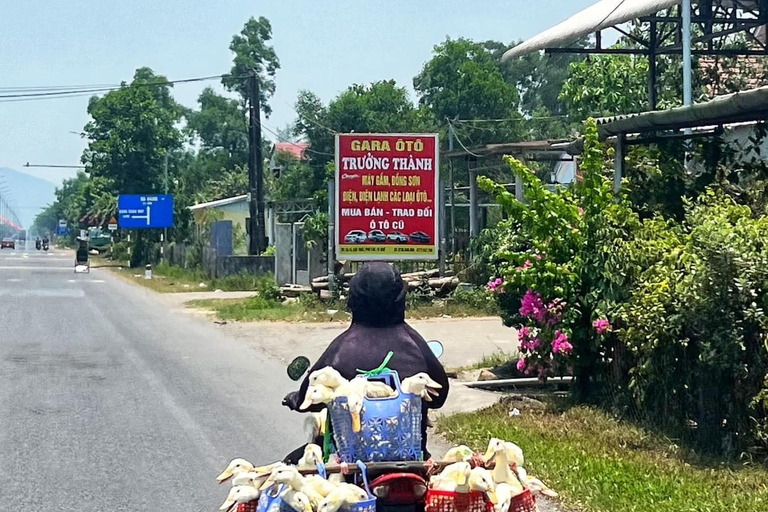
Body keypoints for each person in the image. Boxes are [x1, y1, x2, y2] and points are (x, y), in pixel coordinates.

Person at [282, 261, 449, 461]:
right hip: (411, 458)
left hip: (349, 459)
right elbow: (439, 396)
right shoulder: (414, 343)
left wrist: (295, 399)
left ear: (354, 299)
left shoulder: (341, 348)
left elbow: (308, 397)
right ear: (400, 298)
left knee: (290, 467)